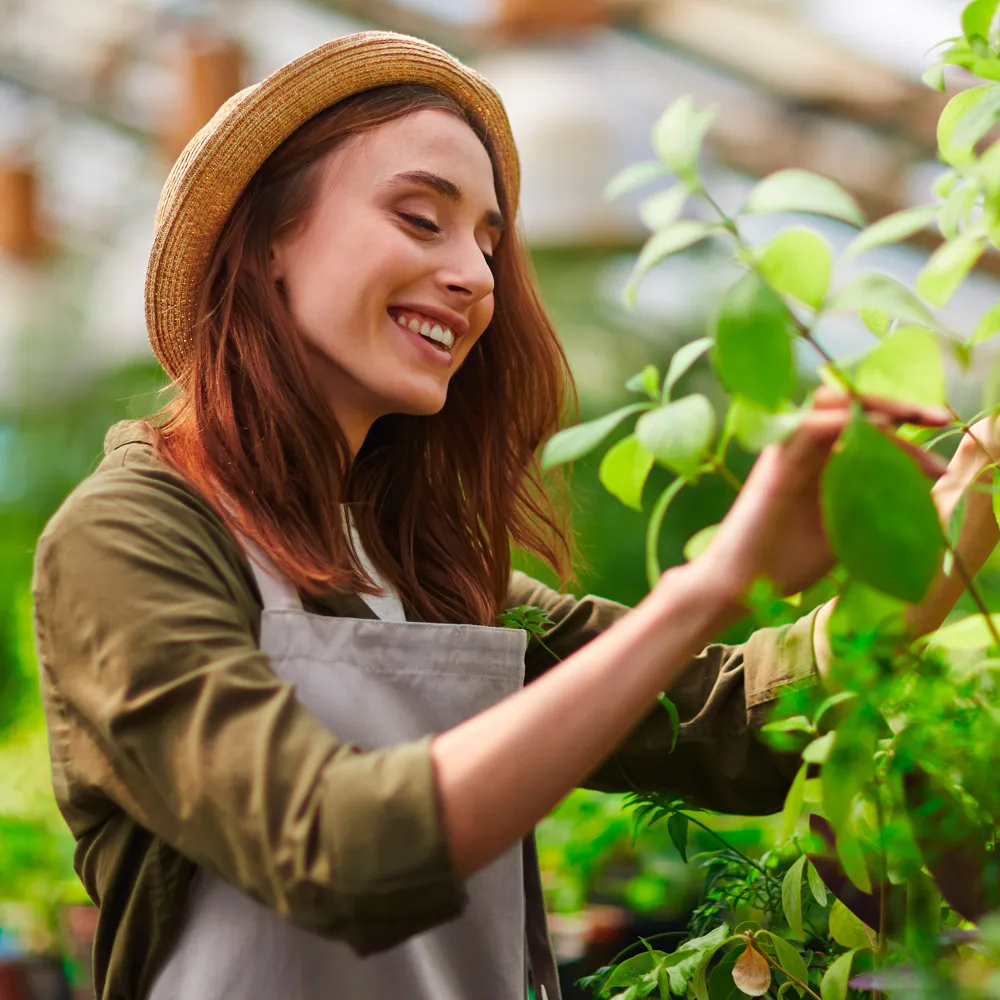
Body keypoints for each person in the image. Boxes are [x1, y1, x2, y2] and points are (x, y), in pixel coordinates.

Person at [30, 30, 999, 1000]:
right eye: (422, 219)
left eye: (488, 242)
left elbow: (722, 724)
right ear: (267, 237)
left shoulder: (415, 565)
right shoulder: (132, 536)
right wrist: (708, 586)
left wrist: (934, 545)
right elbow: (331, 847)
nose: (477, 276)